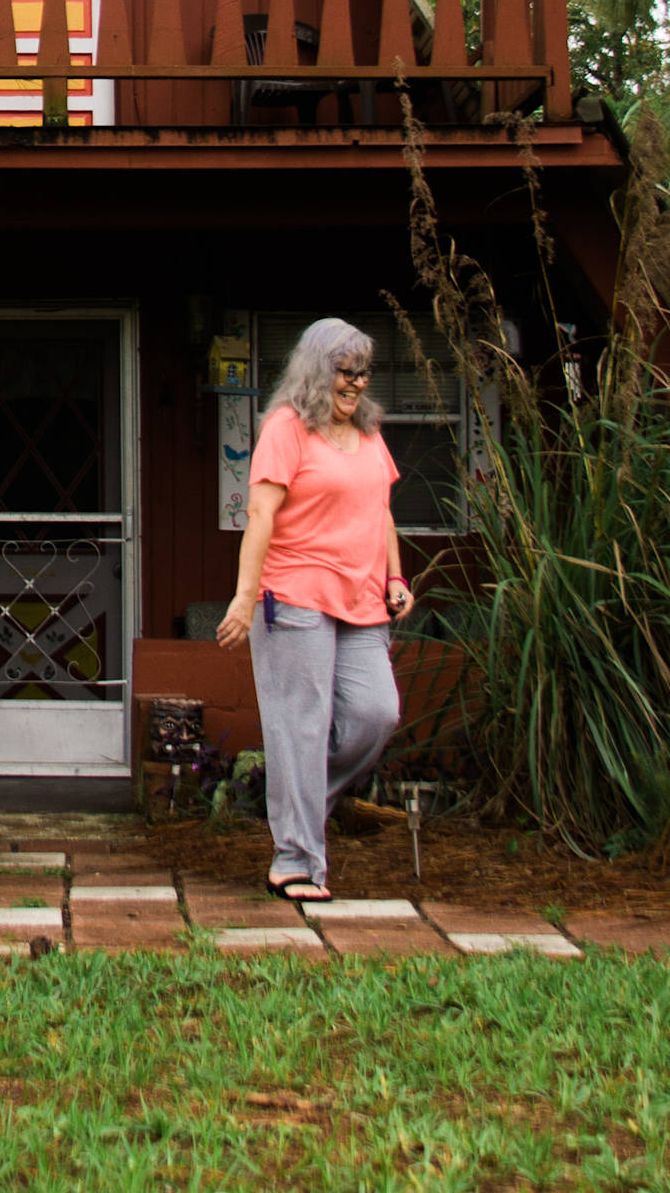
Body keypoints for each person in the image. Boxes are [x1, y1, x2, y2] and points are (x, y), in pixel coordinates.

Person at [211, 317, 413, 902]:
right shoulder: (286, 429)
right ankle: (296, 861)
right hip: (293, 596)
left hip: (362, 600)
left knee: (376, 714)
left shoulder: (371, 432)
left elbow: (382, 512)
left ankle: (294, 797)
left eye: (361, 374)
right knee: (300, 724)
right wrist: (245, 598)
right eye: (343, 373)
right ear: (316, 371)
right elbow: (262, 515)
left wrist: (395, 577)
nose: (353, 385)